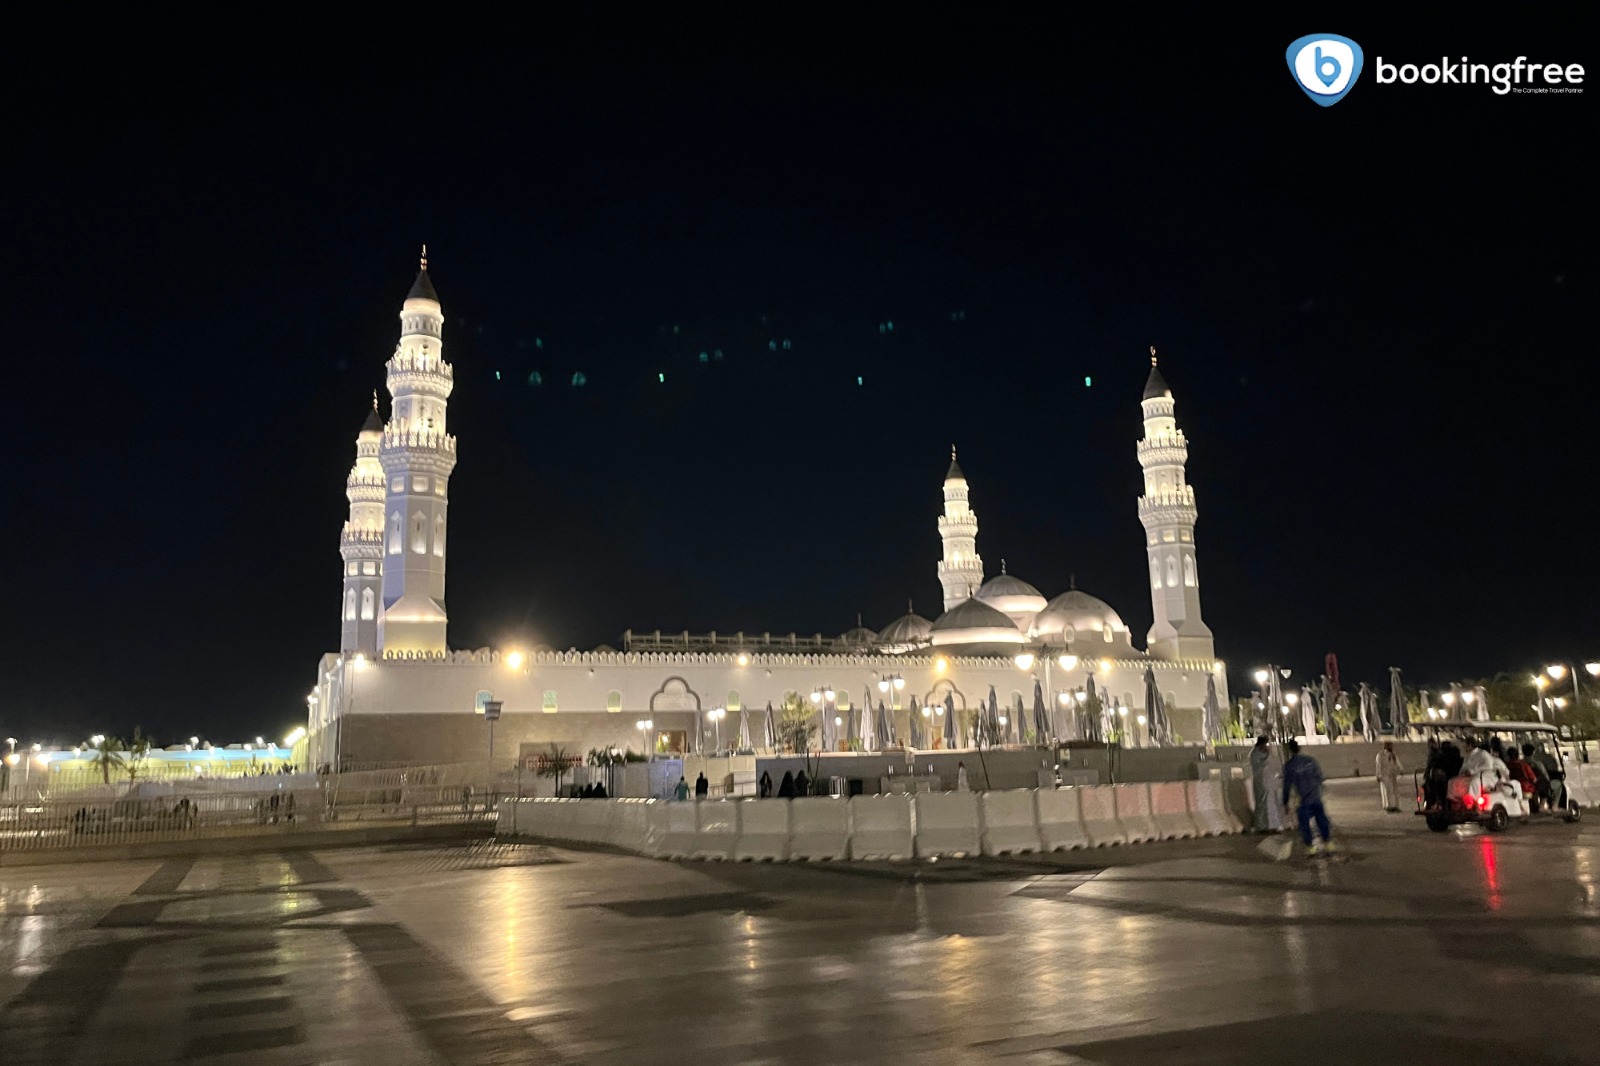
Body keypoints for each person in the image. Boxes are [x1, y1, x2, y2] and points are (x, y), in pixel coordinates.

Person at [1281, 740, 1334, 855]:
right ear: (1299, 748)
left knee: (1305, 824)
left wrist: (1285, 801)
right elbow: (1319, 777)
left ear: (1289, 750)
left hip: (1303, 799)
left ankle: (1310, 848)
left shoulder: (1289, 766)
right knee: (1321, 820)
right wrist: (1319, 790)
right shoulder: (1311, 760)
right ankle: (1328, 844)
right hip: (1315, 796)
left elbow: (1287, 785)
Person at [1249, 737, 1274, 830]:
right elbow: (1263, 764)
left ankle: (1264, 824)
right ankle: (1260, 825)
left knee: (1263, 802)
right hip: (1260, 779)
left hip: (1262, 779)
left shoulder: (1257, 753)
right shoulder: (1256, 754)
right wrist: (1268, 753)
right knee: (1261, 802)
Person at [1376, 742, 1407, 813]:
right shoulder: (1380, 755)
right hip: (1384, 775)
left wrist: (1401, 769)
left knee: (1395, 791)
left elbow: (1397, 762)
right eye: (1390, 746)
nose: (1391, 747)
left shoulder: (1393, 755)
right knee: (1386, 791)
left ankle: (1396, 806)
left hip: (1392, 775)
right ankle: (1387, 806)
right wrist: (1378, 775)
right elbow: (1378, 766)